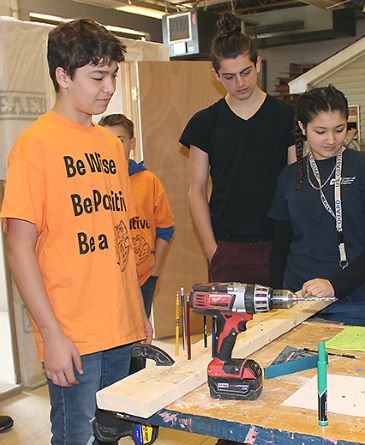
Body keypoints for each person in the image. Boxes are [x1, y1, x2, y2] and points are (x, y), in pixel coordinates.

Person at [1, 19, 152, 444]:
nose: (109, 87)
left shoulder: (109, 144)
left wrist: (137, 308)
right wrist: (51, 333)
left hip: (118, 324)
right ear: (62, 76)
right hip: (72, 332)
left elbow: (118, 231)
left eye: (114, 76)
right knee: (76, 436)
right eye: (97, 76)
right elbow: (19, 249)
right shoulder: (35, 147)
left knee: (110, 434)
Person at [179, 13, 295, 287]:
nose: (240, 83)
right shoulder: (204, 123)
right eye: (229, 77)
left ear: (258, 64)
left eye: (246, 72)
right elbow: (195, 189)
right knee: (232, 330)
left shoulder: (286, 116)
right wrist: (212, 249)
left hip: (280, 244)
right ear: (215, 75)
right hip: (227, 247)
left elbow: (296, 184)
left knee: (281, 328)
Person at [269, 86, 365, 327]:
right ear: (303, 128)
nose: (331, 140)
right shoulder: (288, 177)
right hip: (299, 299)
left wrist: (336, 285)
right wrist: (277, 297)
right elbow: (279, 247)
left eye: (339, 129)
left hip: (354, 300)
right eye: (320, 131)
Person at [99, 114, 175, 317]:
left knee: (141, 336)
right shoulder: (94, 182)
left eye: (120, 140)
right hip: (107, 280)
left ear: (132, 143)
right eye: (107, 140)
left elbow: (165, 229)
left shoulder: (149, 181)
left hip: (144, 278)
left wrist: (155, 271)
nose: (113, 146)